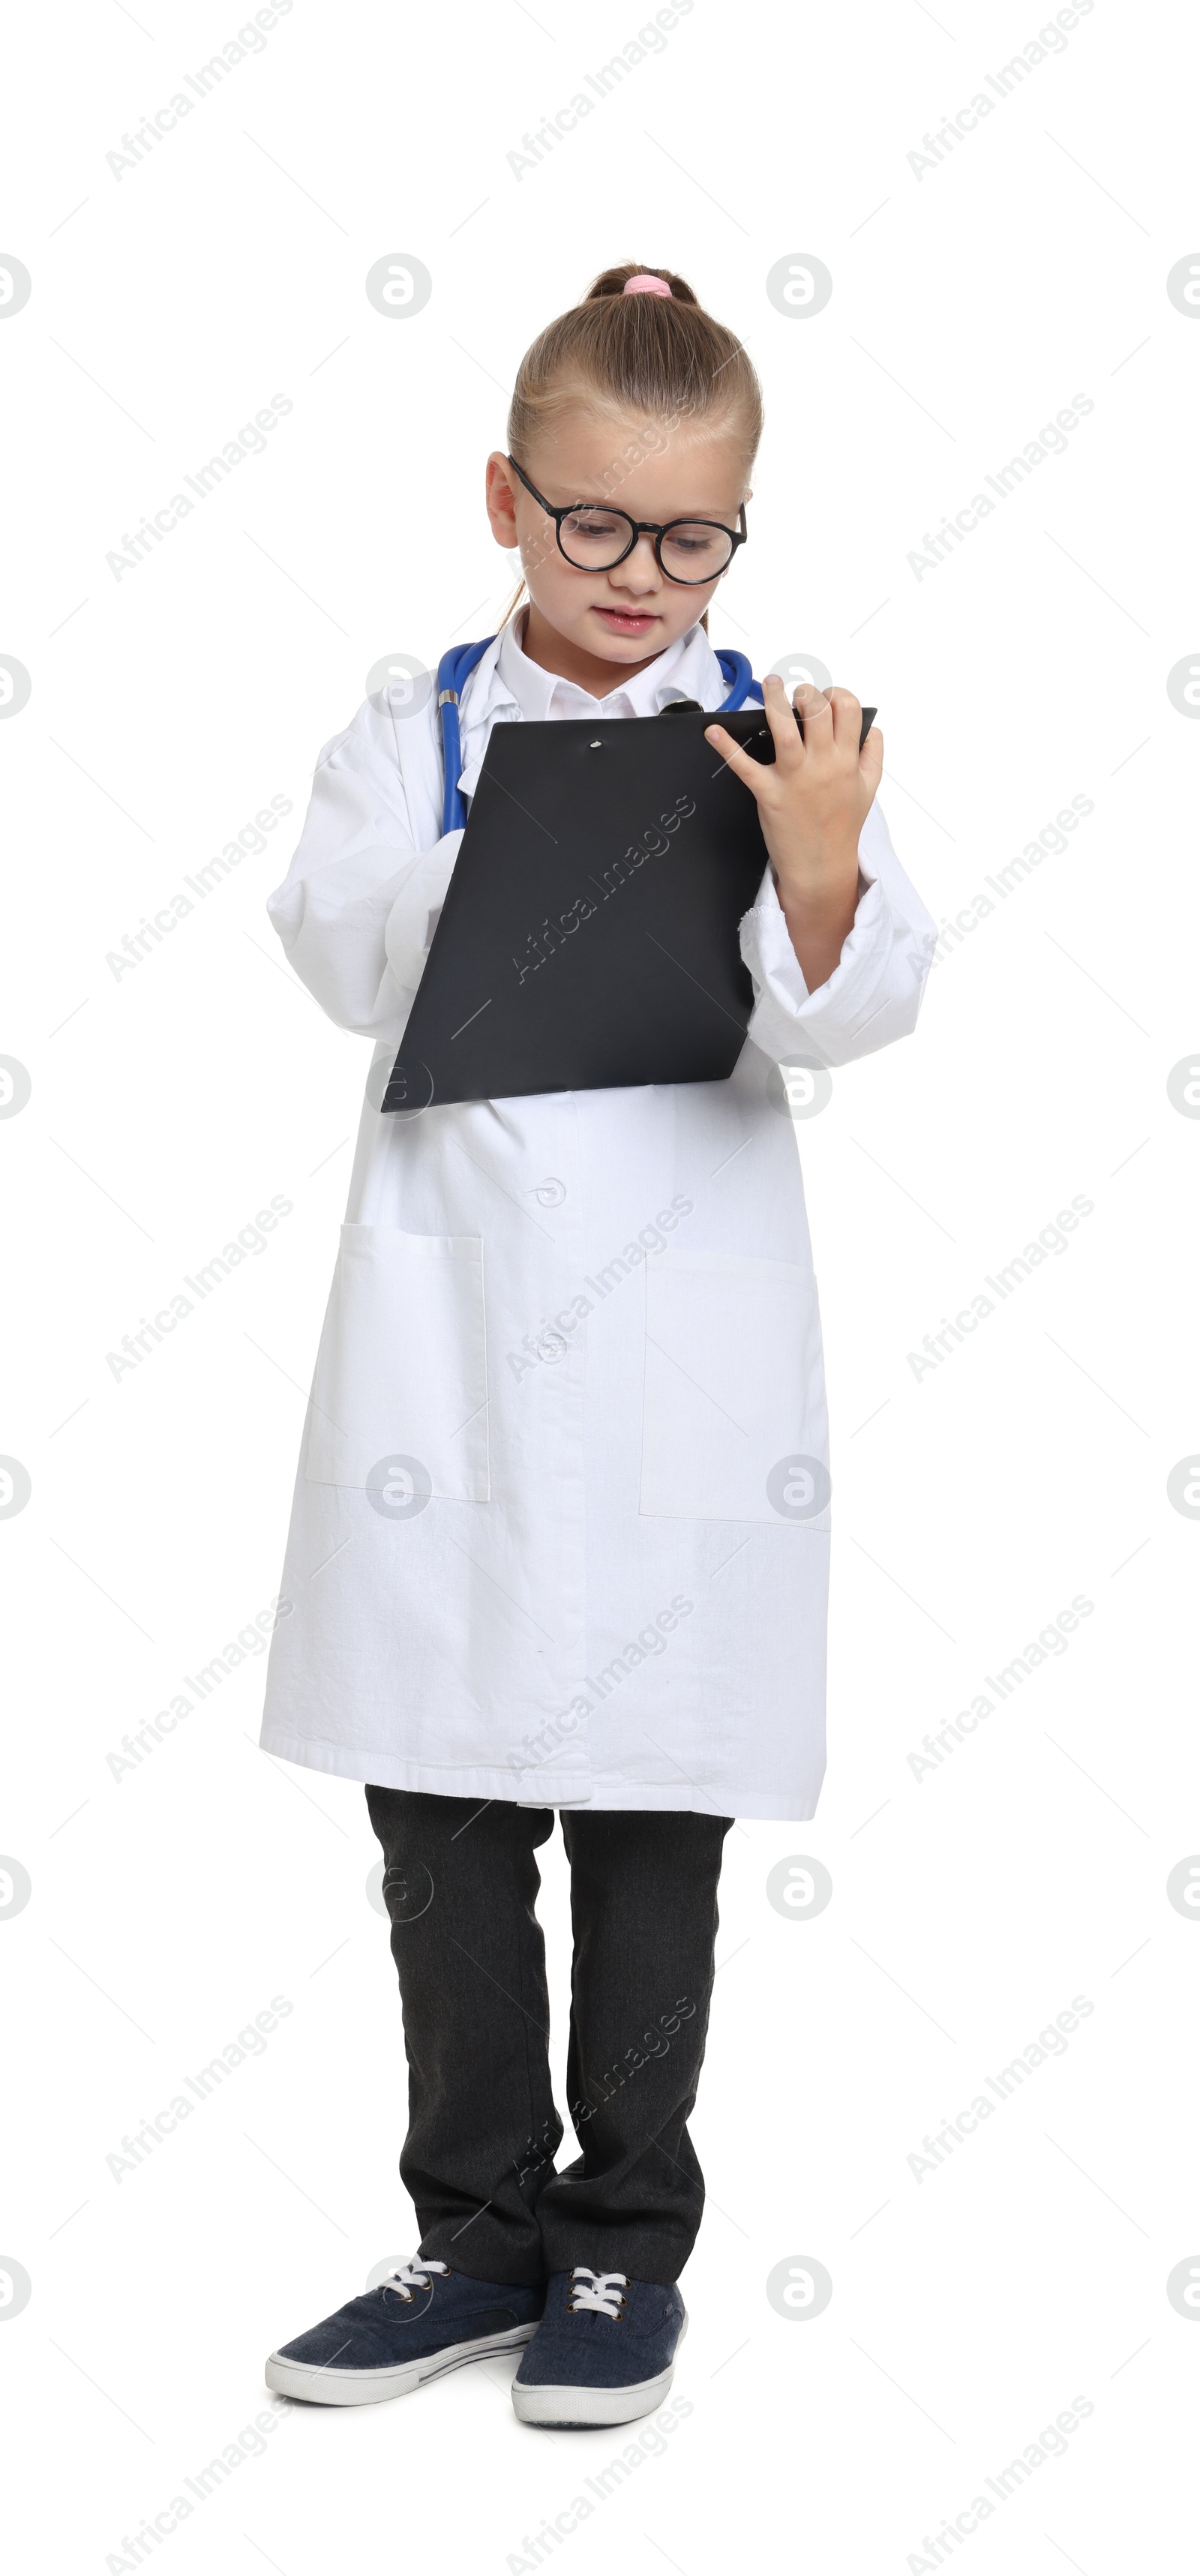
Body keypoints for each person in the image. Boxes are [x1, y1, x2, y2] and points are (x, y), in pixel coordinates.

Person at [259, 261, 937, 2429]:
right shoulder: (415, 722)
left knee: (656, 1818)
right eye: (594, 527)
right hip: (446, 1373)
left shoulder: (777, 721)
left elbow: (846, 1007)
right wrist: (490, 848)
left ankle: (623, 2251)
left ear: (742, 525)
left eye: (694, 535)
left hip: (683, 1374)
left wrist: (815, 865)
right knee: (442, 1817)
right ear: (505, 498)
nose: (643, 576)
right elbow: (343, 957)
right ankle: (474, 2236)